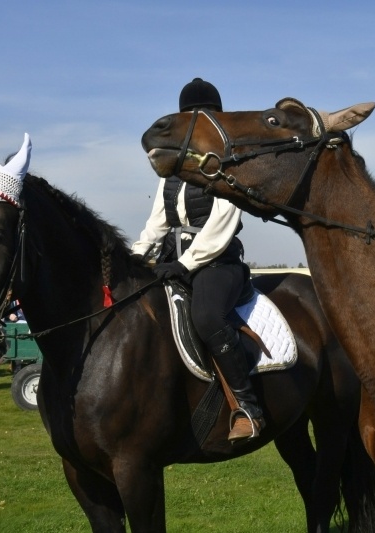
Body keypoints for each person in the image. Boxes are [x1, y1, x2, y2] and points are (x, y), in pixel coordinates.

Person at [131, 78, 264, 443]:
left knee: (207, 316)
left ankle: (248, 406)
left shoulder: (227, 162)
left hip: (218, 263)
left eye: (202, 115)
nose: (194, 121)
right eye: (189, 115)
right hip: (175, 260)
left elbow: (223, 223)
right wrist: (131, 259)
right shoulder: (170, 171)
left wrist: (187, 264)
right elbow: (157, 222)